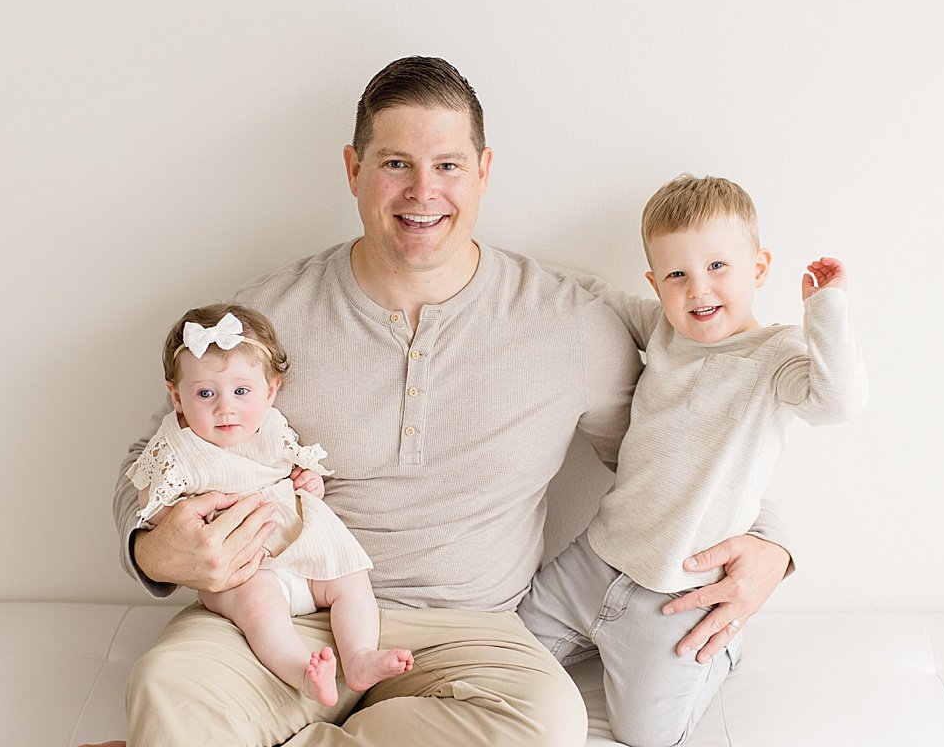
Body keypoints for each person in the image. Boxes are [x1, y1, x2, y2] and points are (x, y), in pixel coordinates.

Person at [107, 57, 794, 747]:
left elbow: (674, 452)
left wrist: (769, 542)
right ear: (354, 169)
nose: (422, 192)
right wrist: (156, 551)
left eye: (448, 166)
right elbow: (155, 457)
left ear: (484, 171)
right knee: (170, 685)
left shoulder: (569, 322)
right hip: (282, 609)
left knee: (546, 725)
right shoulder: (262, 319)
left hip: (470, 631)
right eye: (396, 163)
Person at [519, 174, 869, 746]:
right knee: (505, 653)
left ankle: (719, 656)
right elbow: (593, 294)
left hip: (679, 592)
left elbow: (838, 403)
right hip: (596, 556)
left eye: (718, 268)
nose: (698, 290)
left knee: (646, 736)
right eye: (677, 275)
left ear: (758, 268)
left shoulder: (776, 356)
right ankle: (589, 636)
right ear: (656, 284)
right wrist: (500, 261)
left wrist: (825, 311)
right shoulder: (663, 328)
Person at [130, 303, 413, 707]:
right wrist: (170, 520)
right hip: (245, 566)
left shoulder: (272, 426)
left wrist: (308, 481)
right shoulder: (179, 448)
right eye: (205, 393)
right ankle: (301, 670)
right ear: (176, 397)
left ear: (271, 390)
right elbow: (151, 501)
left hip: (302, 547)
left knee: (351, 579)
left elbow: (295, 469)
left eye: (241, 391)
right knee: (261, 609)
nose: (225, 407)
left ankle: (360, 656)